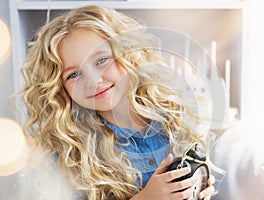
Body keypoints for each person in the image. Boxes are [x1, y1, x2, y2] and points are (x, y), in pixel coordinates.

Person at [17, 5, 216, 200]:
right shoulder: (67, 153)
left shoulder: (171, 116)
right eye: (74, 74)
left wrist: (198, 185)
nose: (94, 81)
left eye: (101, 60)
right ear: (60, 87)